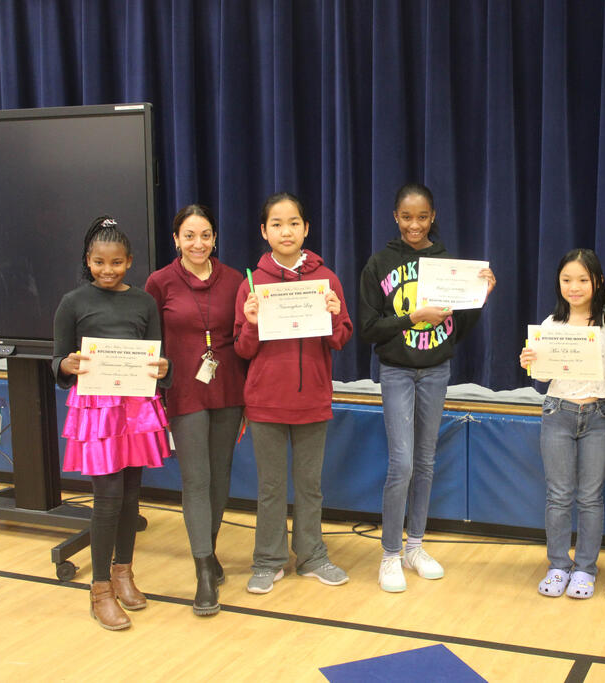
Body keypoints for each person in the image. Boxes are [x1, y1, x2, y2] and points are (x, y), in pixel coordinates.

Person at [359, 182, 496, 593]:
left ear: (433, 217)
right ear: (395, 217)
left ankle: (415, 547)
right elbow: (369, 328)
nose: (414, 225)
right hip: (396, 372)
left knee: (424, 461)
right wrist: (412, 318)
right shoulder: (379, 263)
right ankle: (390, 554)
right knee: (401, 463)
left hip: (436, 370)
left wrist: (480, 296)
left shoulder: (446, 263)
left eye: (422, 217)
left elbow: (459, 327)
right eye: (406, 217)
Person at [52, 216, 171, 630]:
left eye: (116, 262)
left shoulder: (144, 303)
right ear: (88, 260)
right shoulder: (72, 303)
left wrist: (163, 368)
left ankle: (124, 573)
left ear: (129, 261)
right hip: (97, 412)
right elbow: (58, 359)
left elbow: (158, 357)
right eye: (100, 262)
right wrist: (65, 364)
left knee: (131, 495)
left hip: (135, 407)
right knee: (107, 498)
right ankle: (100, 588)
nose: (108, 270)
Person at [235, 192, 353, 593]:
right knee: (270, 487)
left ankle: (312, 556)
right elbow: (242, 349)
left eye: (294, 223)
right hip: (265, 403)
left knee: (309, 485)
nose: (285, 231)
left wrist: (334, 315)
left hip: (312, 400)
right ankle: (268, 560)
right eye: (277, 224)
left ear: (306, 229)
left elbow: (341, 339)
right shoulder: (252, 283)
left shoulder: (326, 279)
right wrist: (251, 322)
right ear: (264, 231)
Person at [145, 205, 246, 616]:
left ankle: (210, 548)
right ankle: (203, 569)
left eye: (205, 235)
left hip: (229, 388)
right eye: (189, 236)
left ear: (215, 238)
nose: (198, 243)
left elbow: (245, 335)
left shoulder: (236, 281)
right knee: (196, 478)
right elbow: (149, 338)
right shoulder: (159, 283)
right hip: (184, 392)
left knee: (220, 477)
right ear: (176, 240)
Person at [519, 249, 605, 599]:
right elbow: (543, 376)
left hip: (599, 415)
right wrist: (529, 360)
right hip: (558, 413)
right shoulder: (551, 325)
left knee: (590, 497)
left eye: (583, 280)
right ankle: (558, 564)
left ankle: (586, 568)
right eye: (567, 280)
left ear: (598, 281)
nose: (574, 287)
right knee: (558, 496)